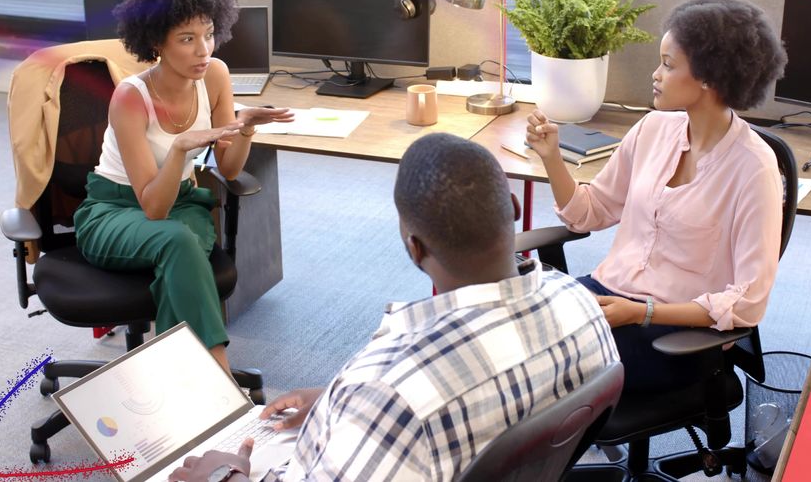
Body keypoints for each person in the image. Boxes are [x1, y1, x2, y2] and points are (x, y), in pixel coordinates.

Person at [169, 133, 619, 482]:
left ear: (414, 248)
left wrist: (227, 473)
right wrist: (339, 405)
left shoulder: (386, 392)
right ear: (514, 207)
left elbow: (403, 402)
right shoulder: (580, 302)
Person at [525, 0, 788, 393]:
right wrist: (551, 158)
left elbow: (748, 302)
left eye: (668, 65)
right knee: (512, 337)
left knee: (542, 375)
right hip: (608, 298)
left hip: (674, 335)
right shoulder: (653, 129)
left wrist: (642, 312)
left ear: (708, 77)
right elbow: (591, 211)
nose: (656, 74)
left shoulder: (755, 168)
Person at [72, 0, 293, 371]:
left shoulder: (215, 76)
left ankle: (175, 383)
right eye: (187, 39)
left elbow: (227, 170)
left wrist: (244, 130)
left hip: (183, 204)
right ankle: (217, 373)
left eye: (209, 35)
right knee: (178, 243)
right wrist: (179, 151)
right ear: (157, 41)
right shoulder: (130, 97)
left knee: (181, 247)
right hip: (114, 211)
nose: (203, 50)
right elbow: (152, 208)